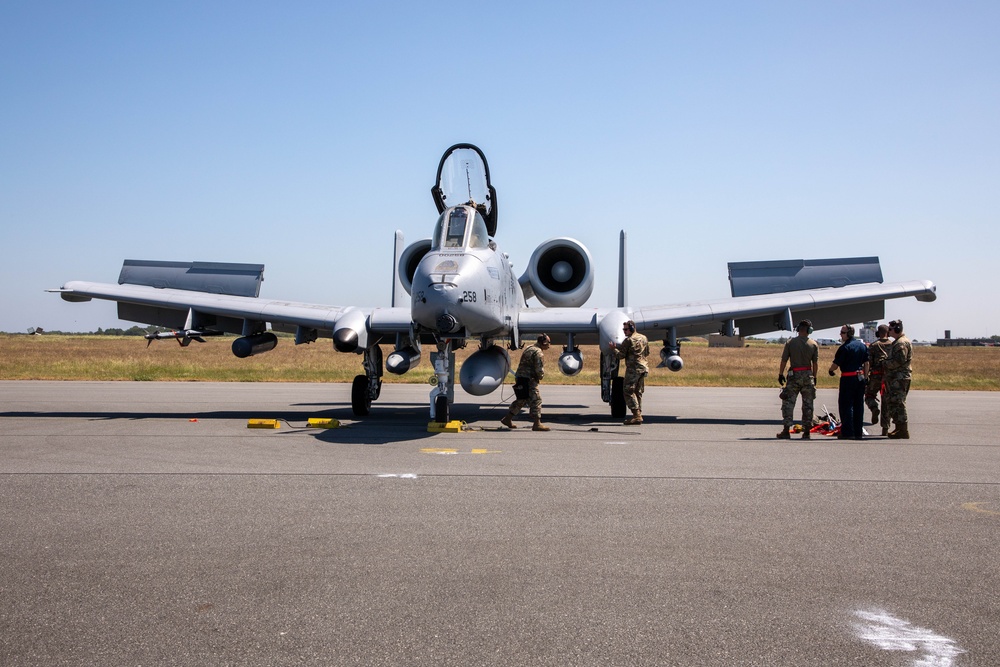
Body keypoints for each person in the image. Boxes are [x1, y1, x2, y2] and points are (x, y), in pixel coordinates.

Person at [777, 320, 819, 439]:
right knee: (808, 404)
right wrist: (814, 377)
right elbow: (815, 363)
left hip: (794, 375)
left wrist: (780, 374)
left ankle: (786, 430)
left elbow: (784, 360)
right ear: (809, 330)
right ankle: (806, 432)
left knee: (788, 403)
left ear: (798, 329)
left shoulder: (790, 342)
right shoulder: (813, 344)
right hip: (807, 376)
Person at [501, 334, 551, 431]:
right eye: (548, 343)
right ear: (544, 342)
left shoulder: (529, 348)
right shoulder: (538, 352)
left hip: (520, 377)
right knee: (536, 399)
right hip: (529, 379)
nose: (549, 345)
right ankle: (537, 424)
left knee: (522, 399)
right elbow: (539, 369)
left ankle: (507, 419)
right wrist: (540, 376)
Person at [829, 324, 870, 440]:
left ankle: (848, 432)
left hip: (848, 379)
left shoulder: (845, 348)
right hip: (860, 378)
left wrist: (830, 370)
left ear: (849, 334)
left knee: (846, 405)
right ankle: (858, 431)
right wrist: (865, 377)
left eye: (842, 332)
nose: (840, 335)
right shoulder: (862, 346)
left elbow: (836, 364)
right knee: (858, 406)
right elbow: (866, 363)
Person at [607, 320, 650, 425]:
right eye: (623, 329)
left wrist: (613, 349)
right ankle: (638, 414)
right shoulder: (643, 338)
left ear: (632, 328)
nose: (624, 331)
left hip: (633, 369)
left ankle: (636, 415)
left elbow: (620, 356)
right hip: (643, 367)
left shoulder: (628, 340)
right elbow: (647, 352)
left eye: (626, 329)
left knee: (628, 391)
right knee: (638, 392)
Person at [884, 319, 913, 439]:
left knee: (899, 403)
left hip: (899, 377)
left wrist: (885, 363)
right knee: (894, 403)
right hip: (897, 377)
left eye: (890, 329)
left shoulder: (901, 343)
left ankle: (903, 430)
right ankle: (898, 428)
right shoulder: (898, 342)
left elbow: (899, 361)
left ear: (896, 329)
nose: (888, 332)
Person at [865, 324, 892, 436]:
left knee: (869, 395)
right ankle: (885, 429)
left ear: (878, 333)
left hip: (875, 376)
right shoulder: (893, 345)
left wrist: (866, 376)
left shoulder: (873, 346)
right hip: (888, 378)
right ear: (888, 332)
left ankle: (874, 407)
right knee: (886, 402)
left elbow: (868, 362)